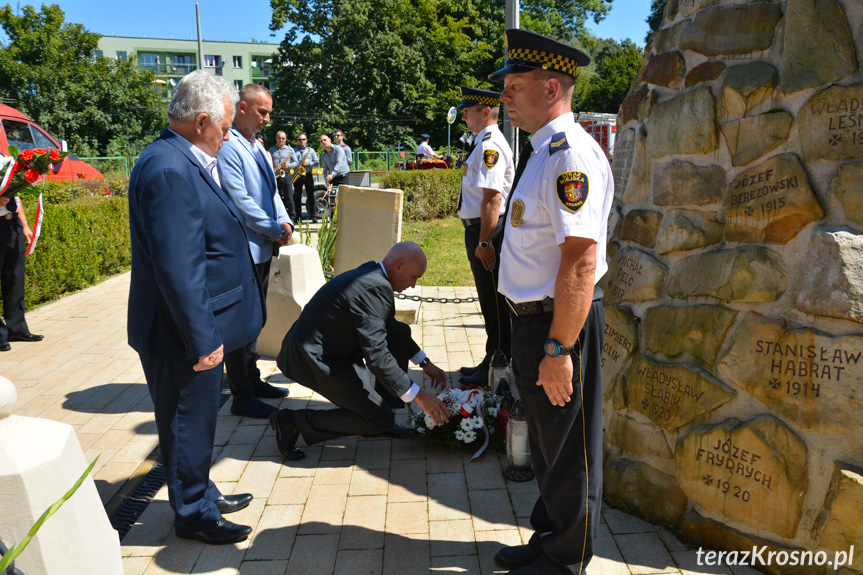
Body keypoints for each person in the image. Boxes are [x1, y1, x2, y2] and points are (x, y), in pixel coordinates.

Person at [488, 30, 613, 575]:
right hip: (531, 323)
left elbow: (580, 262)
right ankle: (550, 540)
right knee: (545, 444)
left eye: (515, 86)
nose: (505, 98)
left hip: (557, 327)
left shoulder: (570, 158)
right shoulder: (542, 151)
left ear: (553, 86)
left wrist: (560, 347)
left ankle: (565, 561)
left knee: (567, 450)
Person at [127, 70, 265, 545]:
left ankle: (199, 489)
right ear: (201, 120)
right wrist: (204, 339)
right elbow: (177, 268)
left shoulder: (177, 157)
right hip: (179, 332)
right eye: (224, 128)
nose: (228, 138)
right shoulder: (168, 168)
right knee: (186, 420)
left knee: (193, 420)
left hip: (184, 326)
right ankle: (193, 514)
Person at [269, 241, 451, 457]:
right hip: (312, 358)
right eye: (415, 277)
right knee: (378, 418)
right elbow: (376, 355)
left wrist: (425, 363)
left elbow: (393, 330)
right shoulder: (374, 288)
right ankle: (291, 421)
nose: (413, 285)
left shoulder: (375, 275)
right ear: (399, 265)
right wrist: (420, 396)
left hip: (335, 351)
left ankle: (380, 420)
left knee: (397, 334)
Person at [218, 84, 293, 419]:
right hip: (245, 247)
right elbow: (239, 199)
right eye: (262, 112)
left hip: (263, 247)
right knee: (241, 323)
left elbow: (272, 192)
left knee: (256, 319)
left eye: (269, 113)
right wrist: (272, 229)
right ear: (243, 107)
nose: (267, 119)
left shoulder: (258, 148)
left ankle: (253, 378)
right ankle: (241, 394)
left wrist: (284, 221)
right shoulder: (228, 145)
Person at [453, 86, 514, 386]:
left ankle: (498, 362)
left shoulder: (490, 146)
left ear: (486, 111)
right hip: (481, 230)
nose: (463, 114)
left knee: (494, 301)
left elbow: (492, 197)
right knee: (489, 299)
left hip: (487, 231)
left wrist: (485, 242)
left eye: (469, 109)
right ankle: (493, 358)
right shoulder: (483, 143)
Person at [0, 192, 42, 352]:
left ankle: (16, 329)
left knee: (15, 279)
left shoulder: (10, 166)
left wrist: (24, 224)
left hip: (12, 225)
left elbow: (16, 196)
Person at [289, 132, 319, 224]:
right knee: (297, 197)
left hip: (308, 174)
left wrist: (308, 163)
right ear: (297, 141)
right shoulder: (293, 150)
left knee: (311, 196)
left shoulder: (311, 150)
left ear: (306, 140)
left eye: (303, 139)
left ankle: (313, 216)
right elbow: (291, 162)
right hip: (297, 176)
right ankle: (298, 217)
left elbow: (317, 162)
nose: (302, 141)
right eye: (299, 140)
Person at [269, 131, 296, 220]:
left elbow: (296, 163)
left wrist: (288, 166)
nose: (281, 140)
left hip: (286, 175)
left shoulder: (290, 150)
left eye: (283, 138)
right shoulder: (271, 150)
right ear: (276, 138)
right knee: (276, 197)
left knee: (289, 196)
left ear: (285, 139)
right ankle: (278, 216)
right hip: (275, 175)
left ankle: (292, 216)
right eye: (279, 138)